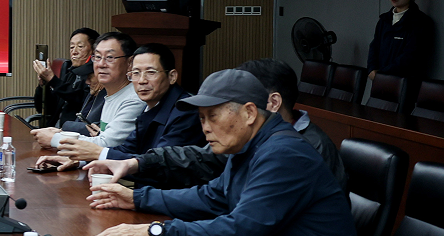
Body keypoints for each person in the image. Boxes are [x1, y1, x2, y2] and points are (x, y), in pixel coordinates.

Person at [88, 69, 364, 236]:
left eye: (213, 116)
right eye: (201, 118)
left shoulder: (284, 154)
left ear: (249, 113)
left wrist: (156, 231)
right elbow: (212, 197)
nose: (205, 128)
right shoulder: (248, 146)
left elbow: (239, 230)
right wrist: (137, 198)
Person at [86, 57, 347, 191]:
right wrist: (135, 167)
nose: (206, 127)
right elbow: (199, 161)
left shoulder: (299, 150)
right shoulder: (252, 140)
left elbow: (242, 222)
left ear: (271, 103)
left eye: (214, 115)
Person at [38, 43, 201, 164]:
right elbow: (127, 149)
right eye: (136, 73)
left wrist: (98, 154)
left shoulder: (185, 111)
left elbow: (158, 164)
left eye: (151, 72)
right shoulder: (150, 106)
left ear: (172, 76)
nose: (142, 81)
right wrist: (80, 161)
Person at [31, 32, 144, 152]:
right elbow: (102, 143)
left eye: (110, 57)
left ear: (130, 63)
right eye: (97, 57)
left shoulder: (134, 99)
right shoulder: (110, 94)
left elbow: (106, 145)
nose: (101, 64)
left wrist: (55, 138)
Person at [366, 0, 433, 99]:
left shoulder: (420, 21)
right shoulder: (384, 20)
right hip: (380, 81)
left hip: (405, 83)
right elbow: (374, 46)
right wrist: (372, 69)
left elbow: (411, 55)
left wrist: (383, 74)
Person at [32, 27, 97, 128]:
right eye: (71, 47)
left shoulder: (95, 75)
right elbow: (46, 108)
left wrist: (53, 80)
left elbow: (80, 100)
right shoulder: (71, 72)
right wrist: (44, 85)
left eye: (80, 46)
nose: (74, 52)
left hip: (73, 131)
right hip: (53, 129)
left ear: (94, 50)